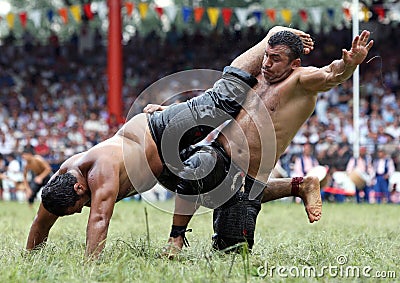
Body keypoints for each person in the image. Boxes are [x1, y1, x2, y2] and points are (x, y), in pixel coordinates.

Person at [26, 26, 317, 259]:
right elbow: (41, 221)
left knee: (222, 102)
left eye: (77, 207)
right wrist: (30, 256)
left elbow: (99, 221)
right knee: (223, 190)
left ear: (80, 187)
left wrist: (89, 269)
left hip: (158, 133)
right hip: (165, 165)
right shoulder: (59, 185)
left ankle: (267, 36)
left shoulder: (99, 174)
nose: (80, 211)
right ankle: (299, 185)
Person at [158, 28, 373, 255]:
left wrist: (349, 65)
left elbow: (331, 74)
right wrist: (170, 112)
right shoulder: (255, 77)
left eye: (275, 59)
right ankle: (176, 239)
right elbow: (213, 100)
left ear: (294, 63)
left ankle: (300, 185)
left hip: (249, 178)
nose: (267, 63)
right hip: (220, 153)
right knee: (197, 167)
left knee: (231, 252)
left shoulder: (301, 79)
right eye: (266, 56)